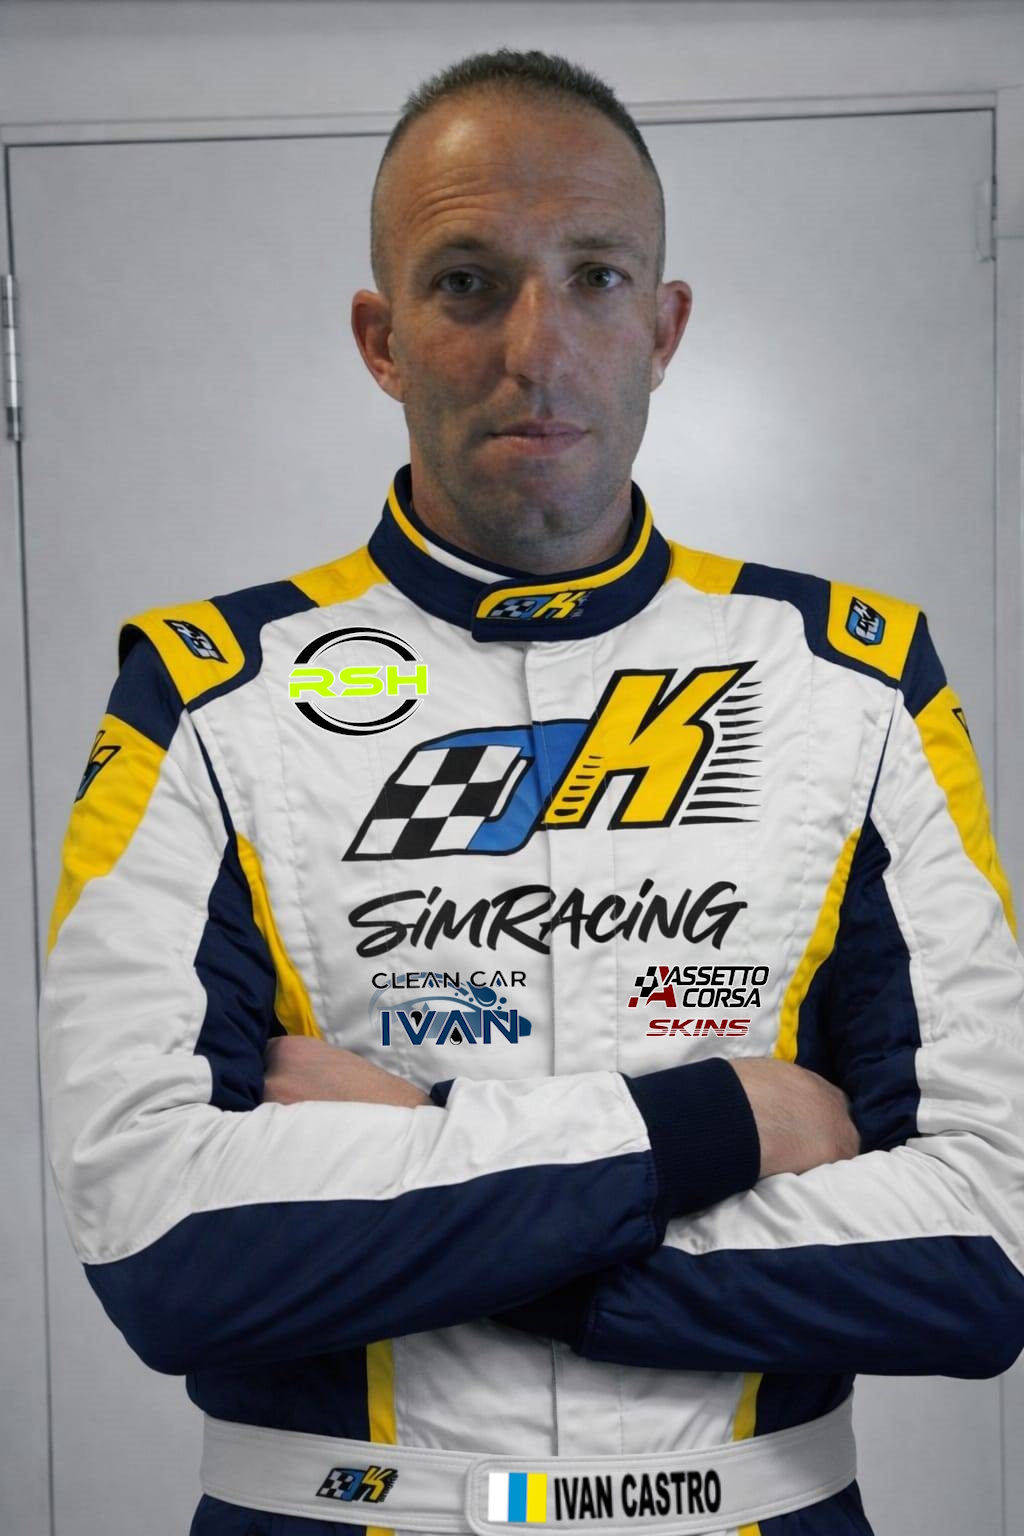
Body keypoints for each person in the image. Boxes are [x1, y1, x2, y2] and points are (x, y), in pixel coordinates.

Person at [39, 47, 1024, 1536]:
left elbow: (983, 1250)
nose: (538, 347)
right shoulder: (206, 693)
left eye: (597, 278)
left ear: (664, 326)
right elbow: (165, 1244)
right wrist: (718, 1122)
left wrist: (430, 1146)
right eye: (467, 284)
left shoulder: (857, 677)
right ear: (381, 338)